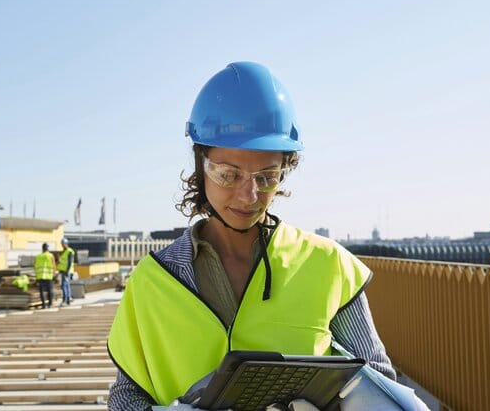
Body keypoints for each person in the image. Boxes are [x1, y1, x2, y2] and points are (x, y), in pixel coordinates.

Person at [107, 62, 421, 411]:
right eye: (229, 175)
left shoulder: (328, 265)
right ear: (201, 164)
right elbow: (126, 394)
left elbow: (377, 381)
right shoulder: (153, 281)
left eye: (267, 177)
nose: (249, 195)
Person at [34, 242, 56, 309]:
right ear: (47, 248)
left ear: (42, 249)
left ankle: (43, 305)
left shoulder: (38, 256)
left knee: (41, 291)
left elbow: (35, 266)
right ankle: (50, 304)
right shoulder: (51, 255)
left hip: (40, 276)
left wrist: (36, 276)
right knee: (50, 290)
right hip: (49, 276)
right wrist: (54, 274)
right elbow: (54, 265)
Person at [57, 236, 76, 306]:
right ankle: (68, 300)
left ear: (66, 243)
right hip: (64, 271)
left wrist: (67, 271)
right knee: (66, 285)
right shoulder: (64, 252)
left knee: (64, 285)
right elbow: (63, 262)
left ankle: (65, 300)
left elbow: (70, 262)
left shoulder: (69, 251)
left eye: (63, 244)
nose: (62, 245)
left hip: (67, 271)